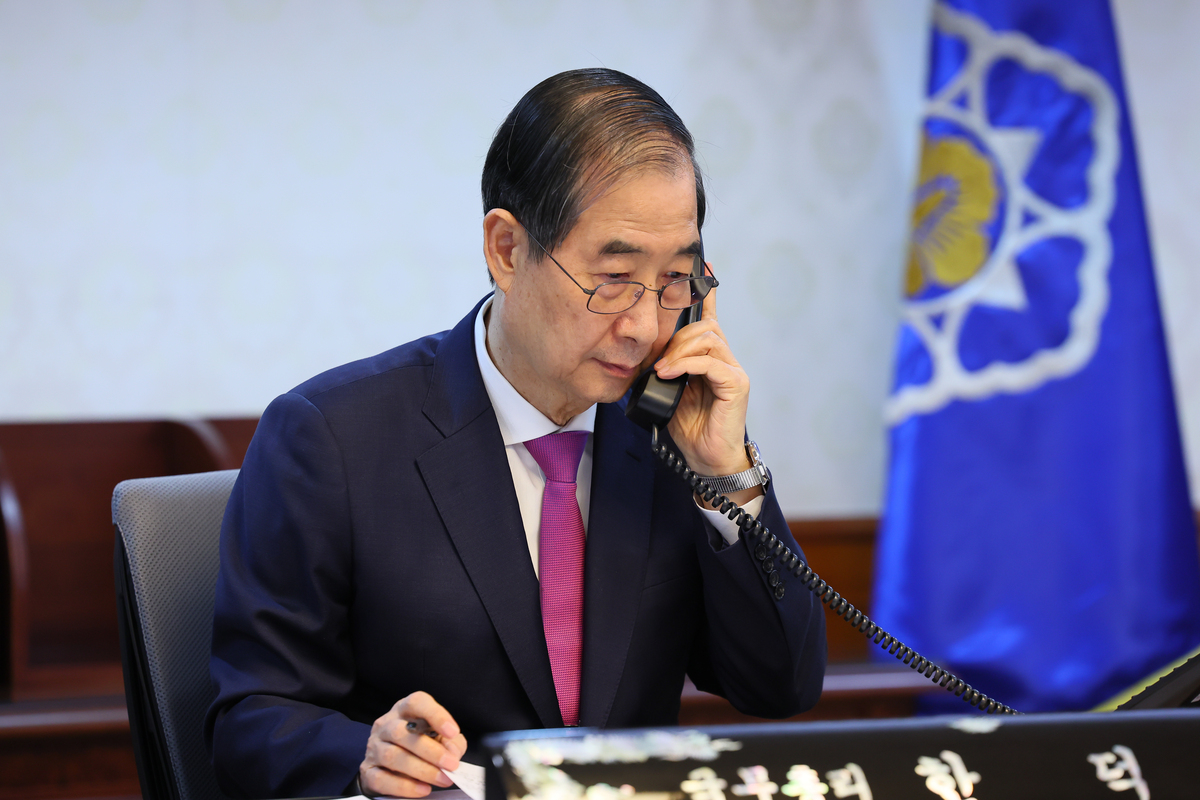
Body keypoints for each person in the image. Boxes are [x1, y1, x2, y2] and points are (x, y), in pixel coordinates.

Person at [205, 68, 826, 799]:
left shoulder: (668, 438)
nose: (643, 326)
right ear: (506, 249)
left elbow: (779, 685)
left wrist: (725, 476)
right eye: (614, 277)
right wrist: (363, 758)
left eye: (674, 281)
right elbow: (251, 715)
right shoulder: (331, 439)